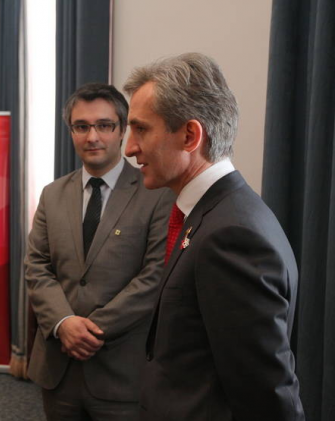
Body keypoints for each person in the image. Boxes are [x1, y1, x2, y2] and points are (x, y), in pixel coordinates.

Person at [123, 52, 305, 421]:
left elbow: (266, 394)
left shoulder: (232, 235)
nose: (128, 148)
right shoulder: (211, 215)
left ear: (190, 135)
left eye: (141, 129)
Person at [25, 82, 174, 420]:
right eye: (81, 126)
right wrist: (64, 323)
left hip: (121, 370)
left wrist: (89, 331)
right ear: (71, 132)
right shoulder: (52, 194)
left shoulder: (157, 194)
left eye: (104, 125)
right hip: (58, 367)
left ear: (122, 130)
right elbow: (37, 266)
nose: (92, 137)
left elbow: (154, 276)